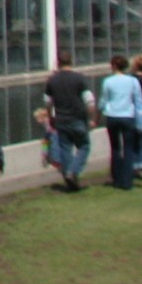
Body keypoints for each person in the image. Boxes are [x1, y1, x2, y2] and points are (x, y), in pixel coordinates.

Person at [45, 51, 95, 191]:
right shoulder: (79, 79)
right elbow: (89, 101)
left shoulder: (52, 80)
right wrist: (91, 117)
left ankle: (69, 178)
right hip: (78, 118)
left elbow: (48, 103)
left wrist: (51, 118)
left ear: (58, 63)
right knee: (84, 146)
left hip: (61, 119)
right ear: (71, 61)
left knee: (65, 148)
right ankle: (73, 172)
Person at [98, 55, 141, 191]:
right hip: (128, 116)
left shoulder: (108, 81)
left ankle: (116, 178)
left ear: (113, 66)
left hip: (113, 116)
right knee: (128, 148)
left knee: (115, 148)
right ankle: (127, 181)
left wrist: (98, 115)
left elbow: (104, 100)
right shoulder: (132, 81)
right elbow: (138, 100)